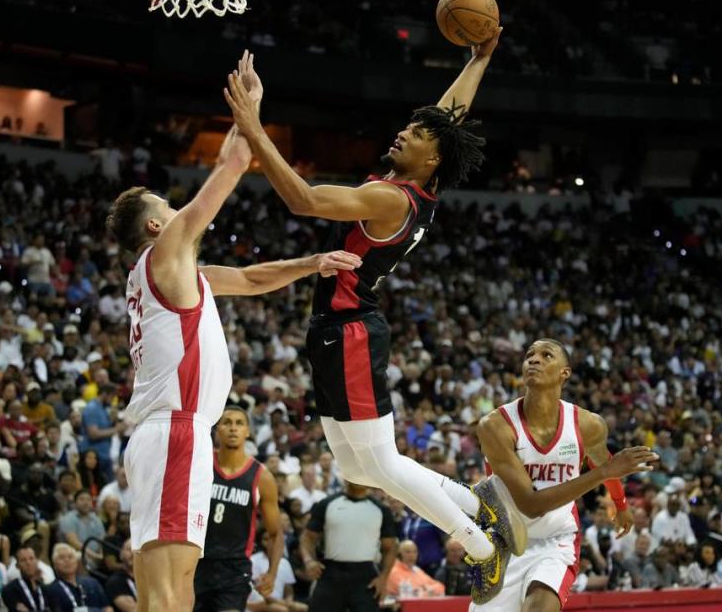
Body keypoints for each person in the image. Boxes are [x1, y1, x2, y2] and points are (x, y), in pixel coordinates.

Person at [225, 31, 527, 569]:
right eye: (407, 127)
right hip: (335, 329)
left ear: (431, 156)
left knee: (381, 461)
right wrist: (480, 59)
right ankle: (475, 500)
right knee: (359, 470)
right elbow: (447, 116)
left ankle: (482, 546)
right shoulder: (414, 183)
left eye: (413, 135)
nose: (402, 133)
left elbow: (304, 199)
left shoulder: (388, 197)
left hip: (351, 331)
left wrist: (252, 126)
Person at [107, 52, 359, 612]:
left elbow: (246, 278)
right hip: (177, 432)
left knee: (156, 587)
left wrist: (310, 262)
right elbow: (232, 167)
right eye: (168, 207)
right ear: (155, 225)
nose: (178, 211)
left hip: (157, 435)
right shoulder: (168, 251)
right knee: (174, 590)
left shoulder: (164, 276)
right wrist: (252, 108)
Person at [471, 339, 658, 609]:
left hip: (556, 540)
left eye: (546, 355)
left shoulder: (588, 424)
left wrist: (621, 504)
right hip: (503, 544)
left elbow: (603, 462)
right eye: (529, 356)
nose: (533, 360)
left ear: (564, 373)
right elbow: (531, 504)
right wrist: (606, 471)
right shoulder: (496, 426)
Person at [194, 406, 283, 612]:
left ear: (248, 432)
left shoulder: (262, 477)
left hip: (234, 568)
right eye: (227, 422)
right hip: (196, 561)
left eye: (239, 423)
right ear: (217, 430)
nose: (233, 428)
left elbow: (276, 533)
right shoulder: (201, 464)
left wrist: (272, 572)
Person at [301, 481, 398, 612]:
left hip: (365, 576)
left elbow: (391, 547)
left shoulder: (382, 510)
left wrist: (384, 578)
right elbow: (307, 537)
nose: (358, 479)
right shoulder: (327, 503)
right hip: (331, 572)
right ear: (346, 477)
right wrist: (309, 561)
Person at [45, 543, 112, 612]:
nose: (67, 560)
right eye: (61, 558)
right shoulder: (51, 590)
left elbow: (108, 608)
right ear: (54, 564)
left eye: (70, 557)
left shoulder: (92, 582)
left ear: (76, 562)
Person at [1, 546, 48, 612]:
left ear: (37, 561)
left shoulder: (44, 589)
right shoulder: (10, 589)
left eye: (31, 559)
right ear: (17, 566)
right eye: (23, 560)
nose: (28, 563)